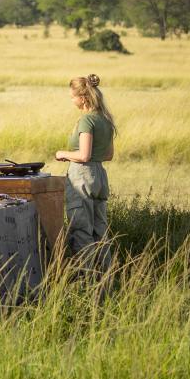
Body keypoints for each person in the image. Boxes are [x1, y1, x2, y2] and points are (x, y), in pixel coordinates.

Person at [55, 74, 116, 267]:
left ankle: (87, 278)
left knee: (81, 229)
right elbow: (108, 155)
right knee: (100, 230)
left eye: (73, 96)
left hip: (82, 176)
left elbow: (83, 155)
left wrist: (62, 153)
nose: (72, 100)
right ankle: (104, 275)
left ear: (83, 98)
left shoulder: (87, 121)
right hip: (99, 175)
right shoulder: (105, 120)